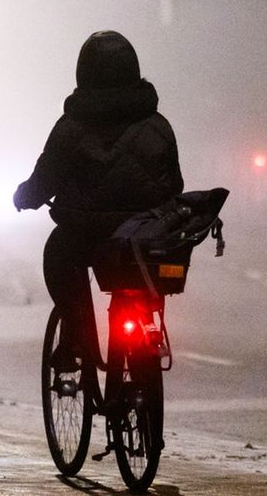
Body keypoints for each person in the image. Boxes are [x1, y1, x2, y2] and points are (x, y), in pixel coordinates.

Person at [14, 31, 183, 372]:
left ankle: (76, 334)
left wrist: (24, 197)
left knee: (58, 254)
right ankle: (149, 333)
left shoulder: (70, 127)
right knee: (148, 271)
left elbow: (44, 181)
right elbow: (174, 184)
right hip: (142, 235)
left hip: (85, 236)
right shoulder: (157, 125)